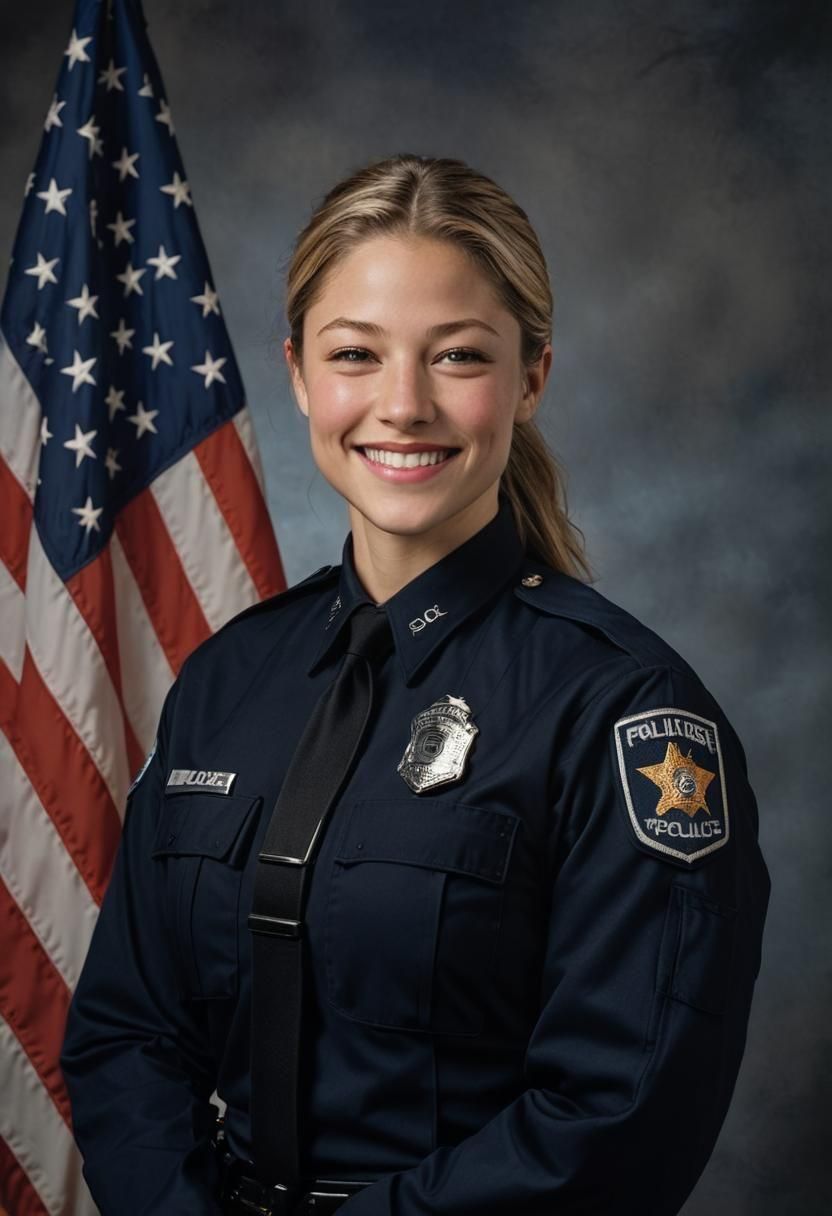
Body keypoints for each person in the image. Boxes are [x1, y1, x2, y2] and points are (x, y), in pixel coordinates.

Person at [61, 153, 770, 1216]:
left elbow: (619, 1119)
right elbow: (127, 1034)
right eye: (356, 353)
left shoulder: (624, 713)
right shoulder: (228, 679)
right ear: (299, 374)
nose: (402, 405)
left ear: (530, 378)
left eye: (458, 357)